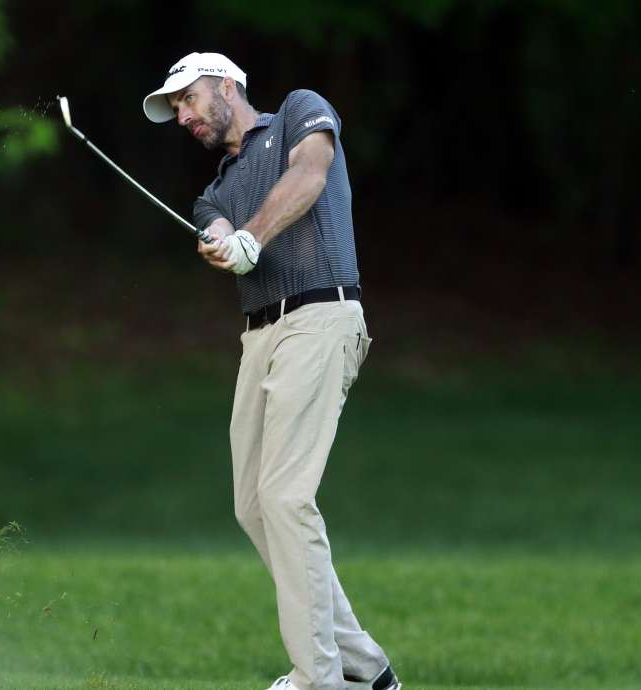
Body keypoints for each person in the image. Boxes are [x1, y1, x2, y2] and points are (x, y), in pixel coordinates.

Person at [142, 53, 401, 690]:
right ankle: (365, 668)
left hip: (322, 317)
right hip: (259, 337)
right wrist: (226, 237)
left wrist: (253, 236)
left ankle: (322, 678)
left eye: (188, 99)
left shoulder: (297, 113)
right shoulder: (213, 190)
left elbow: (310, 174)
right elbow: (218, 224)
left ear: (225, 86)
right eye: (174, 109)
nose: (182, 116)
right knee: (254, 507)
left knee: (287, 498)